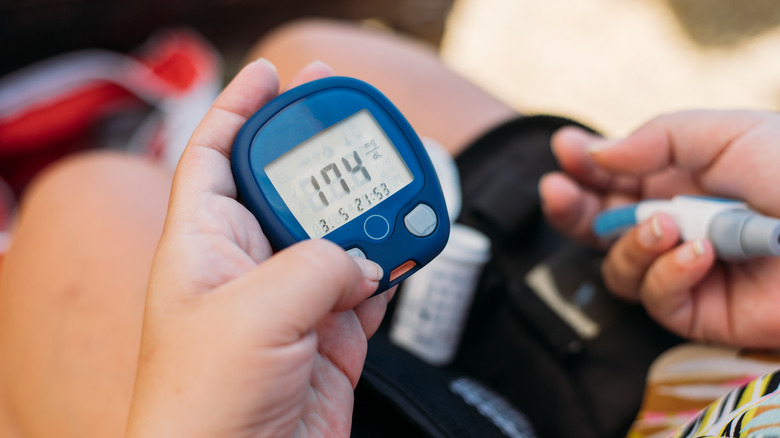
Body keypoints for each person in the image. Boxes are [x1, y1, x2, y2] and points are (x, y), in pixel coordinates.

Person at [1, 17, 780, 437]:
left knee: (79, 204)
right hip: (714, 380)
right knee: (318, 50)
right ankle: (167, 150)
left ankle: (142, 159)